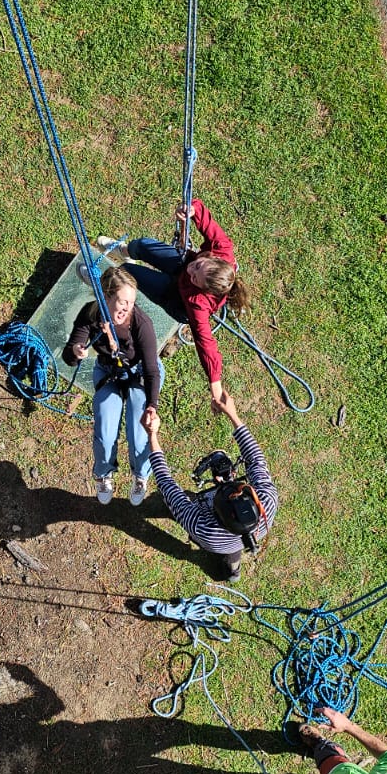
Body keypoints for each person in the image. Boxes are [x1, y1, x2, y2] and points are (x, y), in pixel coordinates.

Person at [125, 198, 251, 407]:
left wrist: (216, 387)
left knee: (128, 274)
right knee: (140, 245)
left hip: (177, 298)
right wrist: (193, 211)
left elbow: (205, 342)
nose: (193, 271)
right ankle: (123, 250)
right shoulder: (222, 250)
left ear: (203, 288)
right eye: (199, 266)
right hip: (183, 262)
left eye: (196, 278)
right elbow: (209, 225)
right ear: (213, 258)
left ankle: (118, 270)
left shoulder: (198, 303)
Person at [142, 388, 277, 580]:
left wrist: (152, 435)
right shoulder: (267, 502)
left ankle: (231, 569)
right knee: (233, 553)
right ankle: (232, 572)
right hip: (237, 542)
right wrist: (233, 414)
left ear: (217, 513)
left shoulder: (201, 526)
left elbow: (166, 484)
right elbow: (256, 460)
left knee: (179, 504)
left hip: (213, 542)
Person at [64, 266, 164, 506]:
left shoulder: (141, 323)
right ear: (106, 297)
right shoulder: (91, 315)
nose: (126, 308)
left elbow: (151, 369)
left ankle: (141, 475)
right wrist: (76, 352)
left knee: (139, 432)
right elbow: (70, 353)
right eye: (122, 302)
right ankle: (103, 472)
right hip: (109, 372)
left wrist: (152, 405)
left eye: (131, 302)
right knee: (105, 428)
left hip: (139, 374)